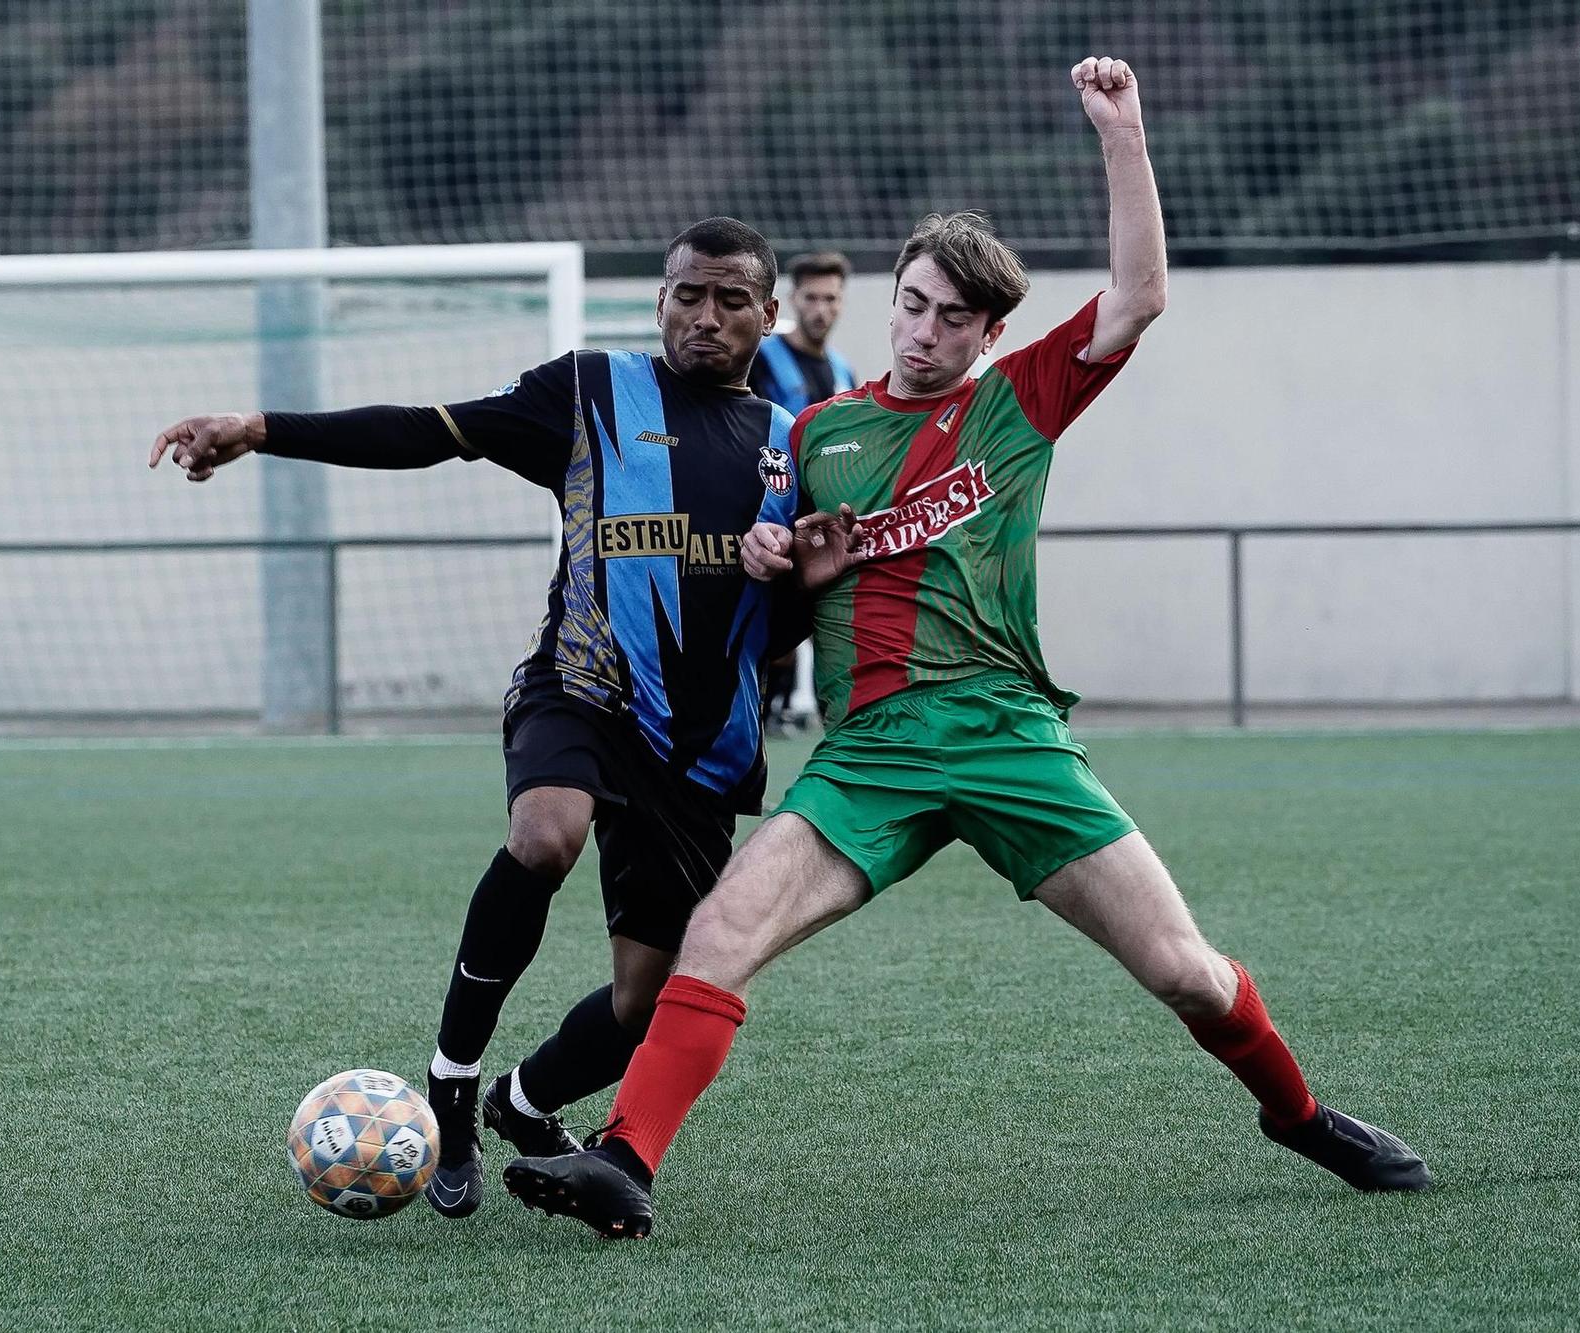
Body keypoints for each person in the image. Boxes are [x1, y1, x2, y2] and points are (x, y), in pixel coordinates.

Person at [503, 58, 1429, 1241]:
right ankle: (624, 1161)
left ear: (989, 334)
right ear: (888, 299)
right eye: (913, 302)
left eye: (955, 317)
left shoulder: (1017, 405)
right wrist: (771, 560)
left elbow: (1139, 294)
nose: (927, 330)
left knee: (1184, 972)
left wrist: (1122, 131)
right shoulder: (813, 431)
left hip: (1003, 735)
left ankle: (1296, 1112)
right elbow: (769, 568)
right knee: (722, 930)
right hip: (870, 755)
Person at [149, 217, 806, 1219]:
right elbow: (426, 429)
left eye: (728, 300)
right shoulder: (588, 389)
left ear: (769, 313)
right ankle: (450, 1080)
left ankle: (522, 1097)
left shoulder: (791, 446)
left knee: (647, 998)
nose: (702, 317)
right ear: (660, 299)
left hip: (702, 752)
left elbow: (803, 616)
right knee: (546, 833)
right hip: (579, 688)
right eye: (685, 294)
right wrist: (263, 429)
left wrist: (799, 577)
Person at [750, 251, 857, 735]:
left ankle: (808, 708)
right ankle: (761, 713)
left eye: (831, 298)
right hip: (764, 514)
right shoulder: (762, 359)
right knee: (762, 620)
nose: (821, 308)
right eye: (811, 297)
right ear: (792, 299)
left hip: (822, 521)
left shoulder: (842, 372)